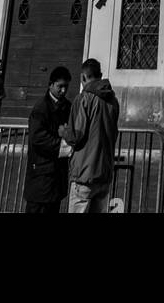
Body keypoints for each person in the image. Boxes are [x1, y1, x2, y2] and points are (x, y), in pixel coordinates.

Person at [61, 58, 120, 214]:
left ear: (83, 77)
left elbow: (76, 135)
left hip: (84, 174)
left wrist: (64, 132)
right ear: (100, 75)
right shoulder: (112, 101)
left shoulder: (83, 99)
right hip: (104, 173)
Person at [23, 66, 74, 215]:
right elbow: (37, 137)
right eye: (60, 86)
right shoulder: (41, 108)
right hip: (41, 173)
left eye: (66, 87)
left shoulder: (68, 106)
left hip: (57, 174)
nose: (63, 91)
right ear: (50, 85)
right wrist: (63, 146)